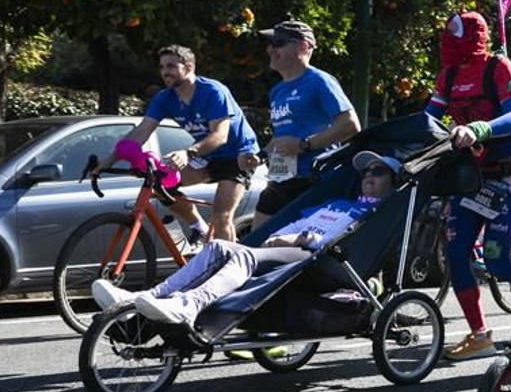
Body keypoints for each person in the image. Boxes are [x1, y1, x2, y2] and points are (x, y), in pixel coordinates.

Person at [90, 151, 398, 326]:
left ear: (392, 181)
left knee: (243, 256)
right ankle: (141, 299)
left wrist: (294, 240)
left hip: (321, 261)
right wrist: (277, 238)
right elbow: (299, 221)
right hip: (286, 250)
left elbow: (338, 242)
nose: (368, 175)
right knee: (219, 246)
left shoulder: (375, 214)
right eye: (366, 171)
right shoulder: (338, 203)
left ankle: (189, 305)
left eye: (378, 171)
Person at [426, 11, 511, 361]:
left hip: (506, 178)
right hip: (470, 179)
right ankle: (479, 335)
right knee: (456, 255)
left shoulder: (501, 67)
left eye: (454, 35)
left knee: (497, 260)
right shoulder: (449, 75)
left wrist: (479, 129)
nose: (448, 42)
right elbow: (428, 118)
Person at [120, 45, 260, 244]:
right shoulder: (165, 98)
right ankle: (200, 228)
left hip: (237, 156)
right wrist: (107, 160)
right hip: (208, 156)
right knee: (159, 184)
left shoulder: (212, 91)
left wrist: (188, 152)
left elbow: (220, 135)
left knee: (221, 217)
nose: (165, 72)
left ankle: (232, 267)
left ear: (189, 67)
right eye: (161, 67)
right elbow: (141, 131)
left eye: (171, 66)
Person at [252, 20, 360, 220]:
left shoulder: (319, 81)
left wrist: (304, 144)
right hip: (279, 178)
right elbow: (282, 137)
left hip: (314, 180)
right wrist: (258, 157)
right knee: (254, 243)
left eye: (278, 44)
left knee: (297, 248)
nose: (270, 49)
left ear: (303, 47)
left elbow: (350, 125)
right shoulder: (277, 90)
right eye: (269, 44)